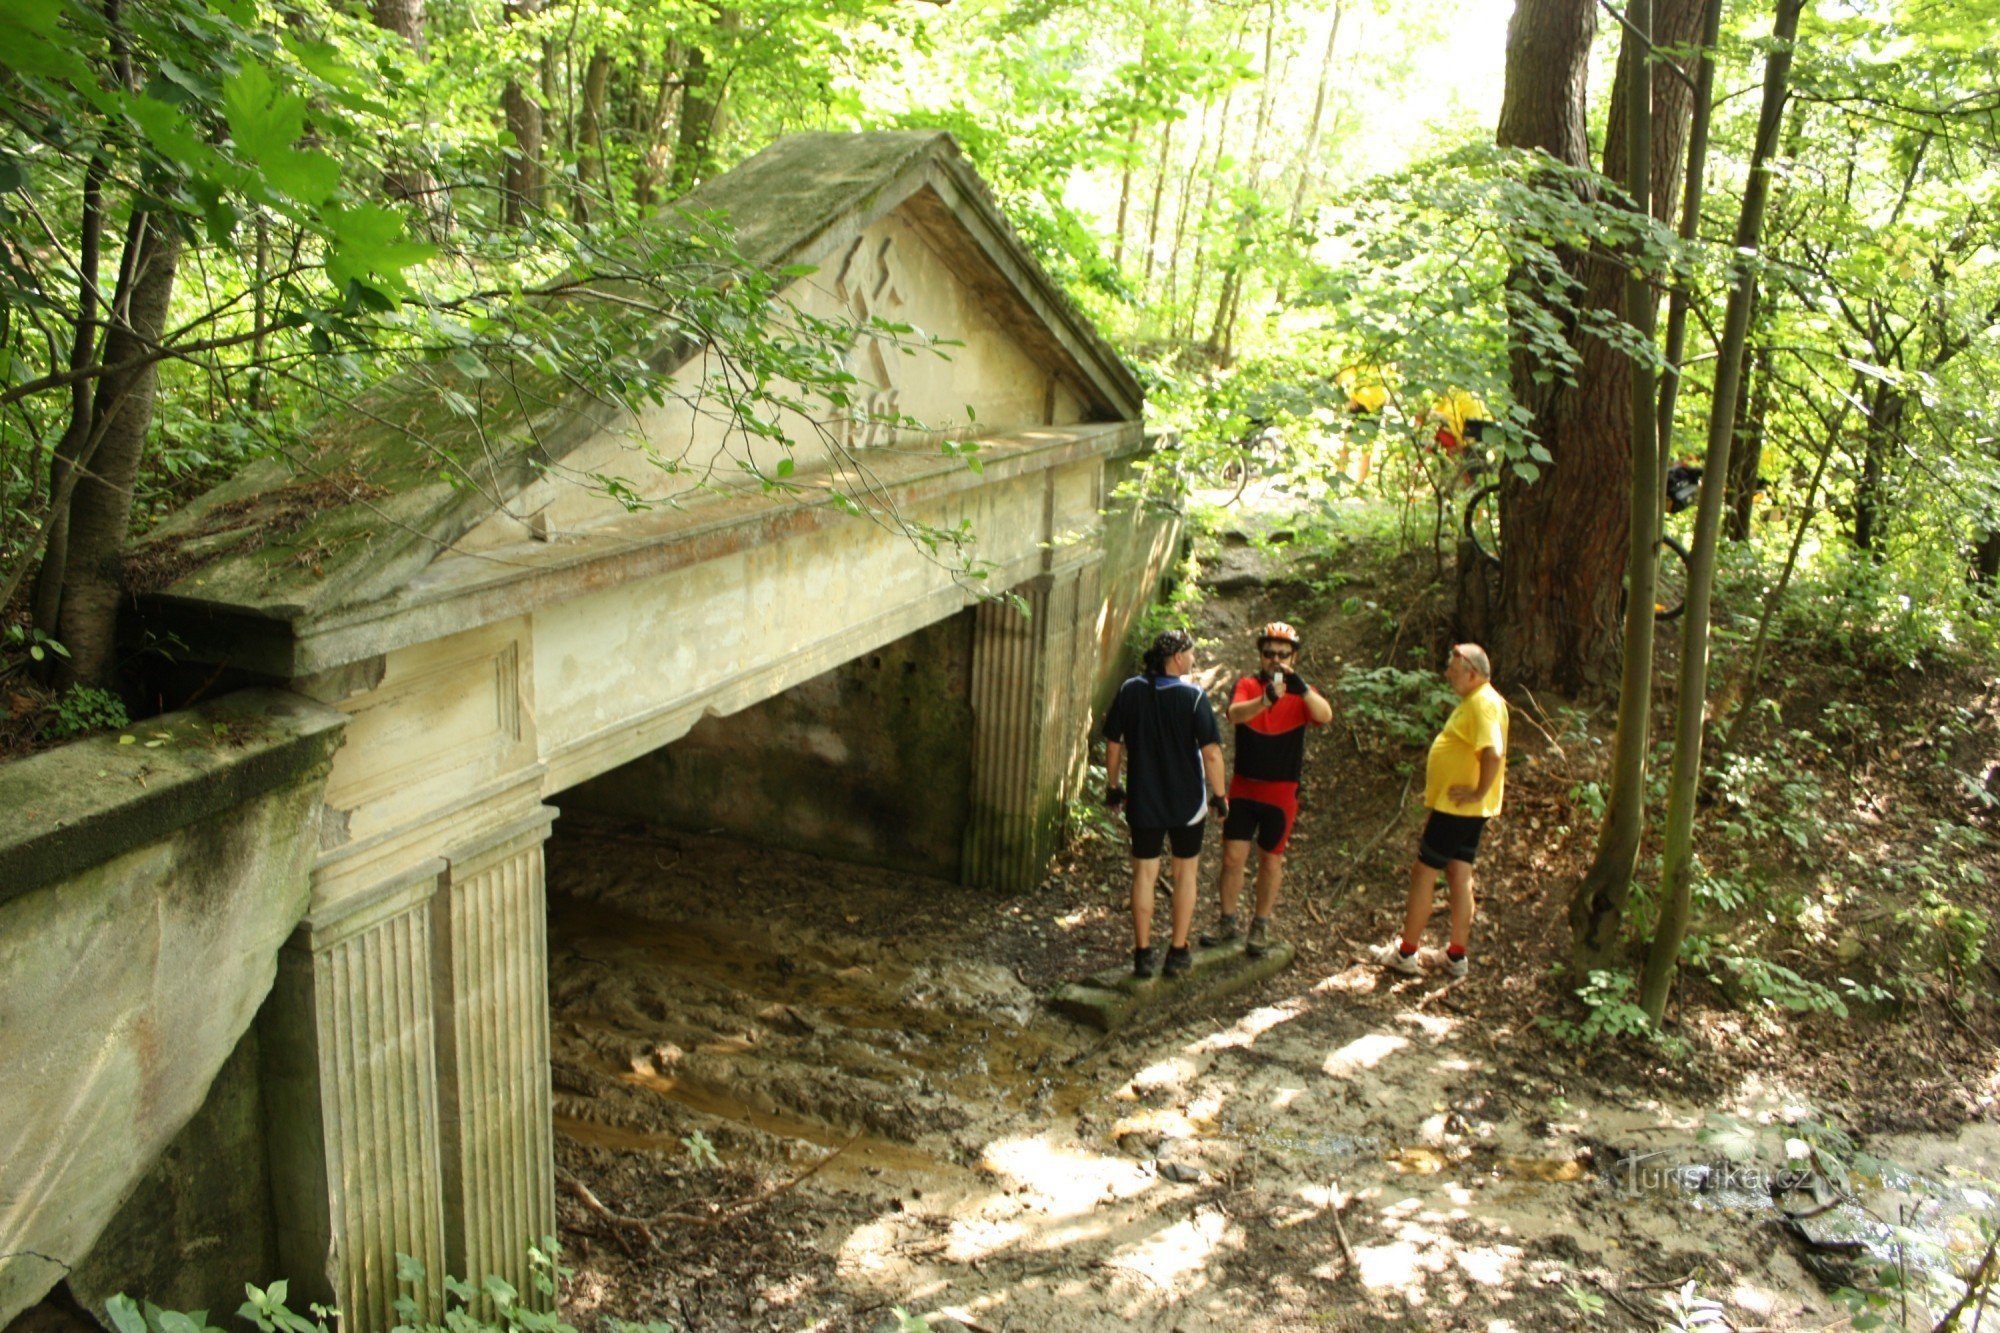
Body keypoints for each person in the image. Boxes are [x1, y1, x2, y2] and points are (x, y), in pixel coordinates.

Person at [1370, 643, 1508, 980]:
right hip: (1466, 809)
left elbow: (1494, 752)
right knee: (1459, 875)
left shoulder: (1484, 704)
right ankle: (1455, 956)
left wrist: (1478, 790)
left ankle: (1406, 952)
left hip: (1459, 809)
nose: (1447, 674)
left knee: (1424, 873)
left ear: (1471, 672)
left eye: (1453, 669)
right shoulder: (1479, 701)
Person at [1198, 622, 1332, 958]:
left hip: (1281, 793)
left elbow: (1325, 716)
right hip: (1245, 788)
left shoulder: (1303, 692)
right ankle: (1227, 921)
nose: (1275, 660)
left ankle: (1260, 923)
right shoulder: (1247, 685)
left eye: (1283, 655)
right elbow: (1234, 714)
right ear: (1260, 655)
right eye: (1269, 653)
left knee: (1270, 861)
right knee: (1232, 858)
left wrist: (1301, 690)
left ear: (1294, 657)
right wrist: (1265, 700)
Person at [1103, 629, 1229, 979]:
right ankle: (1177, 950)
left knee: (1144, 874)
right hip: (1187, 803)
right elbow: (1212, 753)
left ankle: (1142, 954)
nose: (1193, 659)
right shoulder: (1193, 697)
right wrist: (1220, 796)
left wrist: (1113, 787)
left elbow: (1114, 744)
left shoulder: (1131, 690)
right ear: (1176, 658)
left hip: (1144, 800)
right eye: (1190, 653)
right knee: (1184, 872)